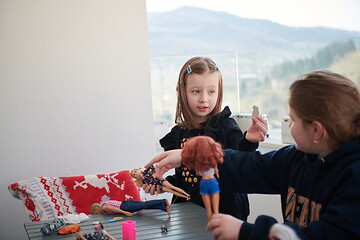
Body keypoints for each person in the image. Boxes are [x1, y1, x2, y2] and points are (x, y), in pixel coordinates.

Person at [145, 70, 360, 239]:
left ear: (316, 130)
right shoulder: (295, 158)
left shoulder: (353, 179)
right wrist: (187, 156)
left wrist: (245, 232)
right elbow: (248, 166)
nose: (290, 125)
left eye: (293, 119)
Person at [144, 56, 268, 221]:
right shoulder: (178, 133)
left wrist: (250, 140)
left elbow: (241, 159)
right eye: (196, 91)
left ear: (219, 91)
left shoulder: (225, 125)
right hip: (188, 216)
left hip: (226, 215)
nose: (204, 98)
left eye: (211, 91)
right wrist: (163, 184)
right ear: (182, 92)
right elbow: (185, 179)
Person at [182, 136, 224, 221]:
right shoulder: (213, 162)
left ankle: (211, 219)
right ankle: (214, 219)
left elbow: (198, 173)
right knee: (215, 210)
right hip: (212, 181)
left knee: (208, 209)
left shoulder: (199, 164)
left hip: (204, 182)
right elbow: (217, 173)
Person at [91, 199, 171, 217]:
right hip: (125, 203)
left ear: (97, 208)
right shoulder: (105, 203)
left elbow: (114, 209)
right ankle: (164, 208)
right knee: (144, 205)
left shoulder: (104, 207)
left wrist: (125, 212)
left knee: (144, 205)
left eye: (96, 212)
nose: (98, 213)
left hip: (125, 207)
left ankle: (163, 201)